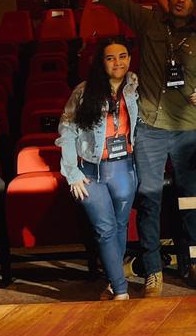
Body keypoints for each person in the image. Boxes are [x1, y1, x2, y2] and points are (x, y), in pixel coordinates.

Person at [61, 0, 196, 296]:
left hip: (188, 131)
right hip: (149, 129)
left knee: (192, 200)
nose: (181, 0)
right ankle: (153, 270)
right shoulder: (148, 22)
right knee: (149, 200)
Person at [57, 36, 138, 300]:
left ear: (129, 59)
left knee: (120, 226)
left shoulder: (135, 86)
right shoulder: (84, 91)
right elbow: (67, 132)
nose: (118, 62)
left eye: (122, 56)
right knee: (105, 230)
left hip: (124, 167)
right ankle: (121, 290)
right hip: (90, 171)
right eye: (110, 58)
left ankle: (114, 283)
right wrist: (72, 173)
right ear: (101, 62)